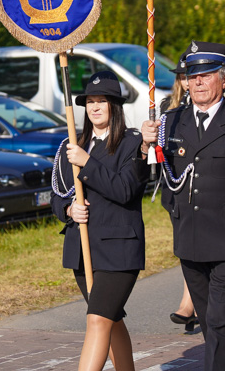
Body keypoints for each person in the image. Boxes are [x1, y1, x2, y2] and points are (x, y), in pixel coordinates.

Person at [140, 41, 225, 371]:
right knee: (214, 326)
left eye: (205, 74)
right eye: (192, 75)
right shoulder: (171, 122)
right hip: (190, 241)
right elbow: (155, 176)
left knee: (217, 321)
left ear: (224, 78)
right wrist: (144, 144)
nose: (197, 82)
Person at [50, 71, 149, 371]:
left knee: (97, 319)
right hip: (84, 251)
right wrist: (69, 211)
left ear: (114, 106)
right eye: (90, 101)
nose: (94, 107)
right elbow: (56, 194)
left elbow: (125, 189)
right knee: (111, 319)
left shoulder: (131, 143)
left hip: (119, 251)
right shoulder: (73, 144)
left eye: (101, 101)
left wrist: (87, 162)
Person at [159, 46, 197, 330]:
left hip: (202, 185)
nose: (187, 81)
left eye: (191, 74)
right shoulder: (165, 107)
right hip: (175, 184)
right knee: (184, 246)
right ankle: (194, 299)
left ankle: (189, 303)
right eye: (183, 76)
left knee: (201, 244)